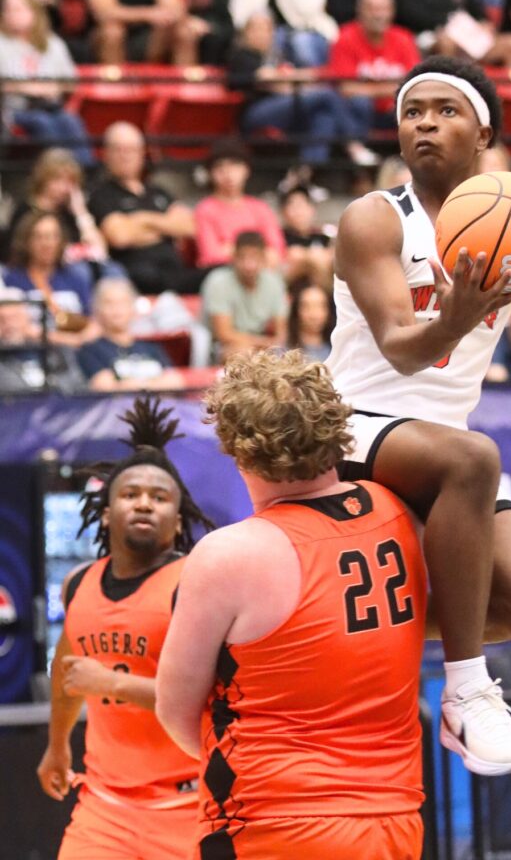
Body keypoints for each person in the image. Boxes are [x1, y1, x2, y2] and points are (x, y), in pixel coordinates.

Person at [327, 55, 511, 774]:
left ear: (483, 132)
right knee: (473, 456)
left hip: (438, 436)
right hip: (353, 424)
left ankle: (358, 633)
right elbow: (401, 349)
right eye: (412, 112)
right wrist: (456, 318)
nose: (425, 123)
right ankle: (465, 694)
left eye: (445, 111)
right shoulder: (374, 218)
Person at [156, 349, 427, 860]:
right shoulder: (398, 511)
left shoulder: (230, 553)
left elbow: (175, 713)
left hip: (270, 822)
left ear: (237, 449)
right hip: (394, 818)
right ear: (337, 428)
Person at [37, 396, 213, 860]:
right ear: (105, 511)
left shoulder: (194, 584)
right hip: (104, 806)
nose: (144, 504)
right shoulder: (79, 584)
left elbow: (209, 699)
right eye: (130, 494)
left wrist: (112, 684)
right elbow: (68, 674)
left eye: (160, 498)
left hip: (187, 805)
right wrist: (57, 745)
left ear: (178, 520)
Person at [228, 9, 377, 165]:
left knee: (323, 116)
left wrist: (291, 78)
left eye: (267, 29)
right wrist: (293, 78)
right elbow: (266, 79)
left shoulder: (277, 55)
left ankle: (307, 171)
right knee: (326, 95)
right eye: (256, 29)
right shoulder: (242, 55)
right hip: (256, 112)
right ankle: (353, 143)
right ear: (245, 32)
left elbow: (287, 81)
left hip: (286, 106)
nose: (262, 34)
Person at [88, 122, 206, 295]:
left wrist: (142, 220)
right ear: (106, 154)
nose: (125, 156)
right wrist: (166, 227)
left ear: (142, 153)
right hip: (136, 275)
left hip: (176, 271)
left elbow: (189, 226)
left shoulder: (158, 192)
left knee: (220, 274)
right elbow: (120, 236)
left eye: (131, 150)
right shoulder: (101, 194)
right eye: (118, 150)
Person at [0, 0, 94, 168]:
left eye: (18, 9)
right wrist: (24, 88)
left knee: (70, 121)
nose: (12, 14)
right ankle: (59, 171)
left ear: (34, 12)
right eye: (7, 10)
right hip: (15, 110)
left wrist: (54, 87)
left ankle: (86, 172)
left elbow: (71, 82)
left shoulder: (52, 43)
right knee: (42, 122)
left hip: (50, 106)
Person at [328, 0, 421, 138]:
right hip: (358, 115)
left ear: (392, 11)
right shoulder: (345, 38)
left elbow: (413, 85)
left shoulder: (404, 38)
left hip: (396, 112)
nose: (378, 15)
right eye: (371, 8)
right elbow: (345, 88)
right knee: (359, 102)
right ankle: (357, 147)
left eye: (384, 9)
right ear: (359, 10)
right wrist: (392, 89)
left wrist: (368, 88)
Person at [3, 210, 97, 346]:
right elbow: (17, 327)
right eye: (39, 237)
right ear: (26, 241)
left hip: (78, 351)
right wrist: (67, 340)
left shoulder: (75, 276)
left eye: (53, 236)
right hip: (32, 350)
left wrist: (83, 338)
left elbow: (93, 321)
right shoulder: (12, 279)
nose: (47, 244)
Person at [5, 147, 107, 268]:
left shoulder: (70, 214)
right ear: (43, 179)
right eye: (57, 179)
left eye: (70, 181)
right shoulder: (24, 211)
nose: (64, 188)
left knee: (111, 269)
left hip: (76, 272)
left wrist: (81, 212)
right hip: (37, 270)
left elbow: (100, 252)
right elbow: (14, 253)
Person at [77, 277, 185, 391]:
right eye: (109, 303)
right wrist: (154, 384)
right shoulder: (90, 350)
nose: (116, 309)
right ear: (97, 309)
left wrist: (135, 385)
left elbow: (175, 381)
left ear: (133, 308)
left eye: (123, 303)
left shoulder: (151, 348)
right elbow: (104, 386)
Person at [194, 139, 285, 269]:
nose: (228, 173)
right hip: (223, 273)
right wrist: (255, 251)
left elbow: (277, 251)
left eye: (234, 165)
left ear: (246, 169)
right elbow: (211, 256)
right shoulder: (205, 209)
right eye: (219, 167)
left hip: (263, 271)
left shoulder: (260, 207)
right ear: (210, 174)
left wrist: (231, 248)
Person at [200, 230, 289, 359]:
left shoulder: (274, 281)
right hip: (220, 347)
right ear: (234, 257)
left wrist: (273, 344)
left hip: (262, 346)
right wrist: (266, 343)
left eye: (254, 257)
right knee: (243, 353)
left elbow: (282, 329)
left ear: (263, 258)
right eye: (242, 257)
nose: (248, 265)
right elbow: (224, 334)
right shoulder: (217, 282)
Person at [0, 289, 85, 393]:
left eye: (14, 318)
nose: (10, 325)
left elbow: (75, 382)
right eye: (2, 319)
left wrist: (43, 335)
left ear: (27, 318)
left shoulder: (51, 349)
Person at [280, 184, 334, 286]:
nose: (298, 212)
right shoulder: (280, 237)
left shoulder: (324, 237)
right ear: (283, 211)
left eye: (302, 205)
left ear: (312, 210)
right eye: (293, 206)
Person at [286, 278, 334, 360]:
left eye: (320, 306)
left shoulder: (336, 350)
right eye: (307, 307)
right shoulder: (285, 352)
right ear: (297, 310)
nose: (314, 314)